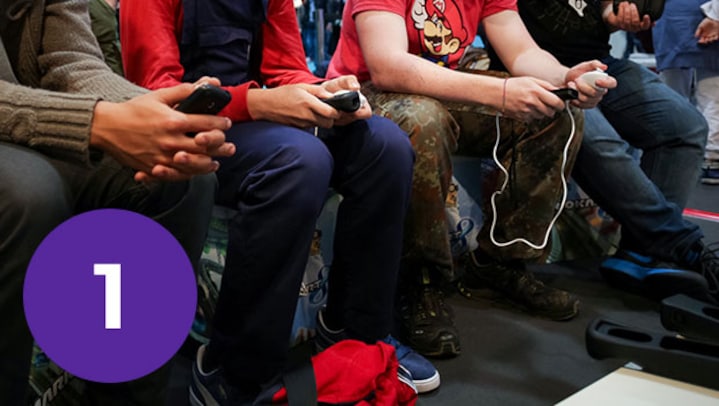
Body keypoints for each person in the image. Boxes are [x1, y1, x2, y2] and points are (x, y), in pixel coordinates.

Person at [119, 0, 441, 401]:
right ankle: (234, 370)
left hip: (257, 117)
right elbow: (158, 95)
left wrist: (320, 92)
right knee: (299, 161)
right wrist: (259, 102)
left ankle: (358, 333)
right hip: (192, 130)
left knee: (385, 146)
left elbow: (286, 68)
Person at [326, 0, 613, 358]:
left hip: (440, 84)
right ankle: (419, 282)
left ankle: (499, 263)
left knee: (554, 110)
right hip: (365, 93)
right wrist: (501, 93)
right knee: (423, 120)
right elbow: (388, 67)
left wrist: (565, 78)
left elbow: (522, 51)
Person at [0, 0, 235, 405]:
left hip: (37, 122)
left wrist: (155, 115)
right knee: (31, 195)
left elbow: (72, 60)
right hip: (26, 134)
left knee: (182, 180)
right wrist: (97, 122)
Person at [513, 1, 719, 304]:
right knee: (599, 142)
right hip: (535, 69)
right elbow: (513, 40)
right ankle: (679, 244)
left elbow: (599, 12)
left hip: (598, 63)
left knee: (686, 126)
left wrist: (615, 16)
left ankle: (641, 252)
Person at [653, 0, 719, 184]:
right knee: (712, 95)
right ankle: (711, 160)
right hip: (703, 16)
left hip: (671, 18)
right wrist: (716, 15)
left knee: (672, 96)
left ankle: (672, 156)